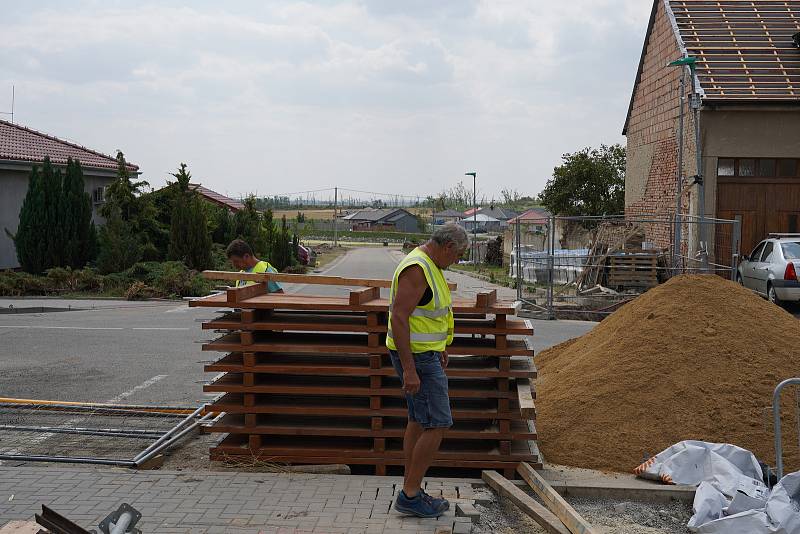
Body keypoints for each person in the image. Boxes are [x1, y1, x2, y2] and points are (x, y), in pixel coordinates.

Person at [387, 223, 469, 518]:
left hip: (426, 354)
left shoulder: (430, 265)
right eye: (459, 254)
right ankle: (410, 495)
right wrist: (410, 369)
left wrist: (440, 346)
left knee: (419, 420)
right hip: (418, 359)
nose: (458, 260)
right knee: (439, 423)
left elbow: (429, 315)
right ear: (447, 247)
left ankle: (412, 488)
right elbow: (399, 317)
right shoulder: (418, 268)